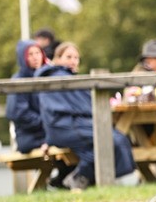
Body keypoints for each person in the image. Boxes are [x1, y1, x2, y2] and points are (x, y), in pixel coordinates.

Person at [35, 42, 136, 190]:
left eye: (76, 57)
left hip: (72, 125)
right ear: (57, 59)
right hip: (64, 127)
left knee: (113, 139)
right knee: (112, 139)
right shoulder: (58, 77)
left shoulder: (69, 77)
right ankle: (79, 177)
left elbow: (84, 105)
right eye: (68, 57)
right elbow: (81, 107)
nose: (73, 61)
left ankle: (78, 178)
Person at [6, 40, 49, 153]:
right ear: (23, 58)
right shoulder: (18, 80)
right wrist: (46, 121)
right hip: (30, 137)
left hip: (49, 132)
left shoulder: (48, 77)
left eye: (37, 53)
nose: (35, 57)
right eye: (30, 54)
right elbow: (18, 113)